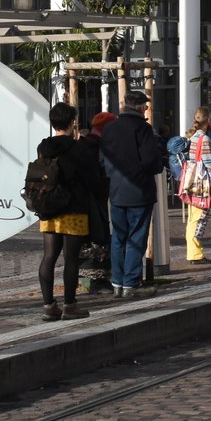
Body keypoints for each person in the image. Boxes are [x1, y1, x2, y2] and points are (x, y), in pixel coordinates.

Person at [35, 102, 106, 321]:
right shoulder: (78, 148)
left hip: (49, 207)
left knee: (49, 256)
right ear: (72, 122)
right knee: (71, 259)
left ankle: (48, 306)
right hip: (74, 208)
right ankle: (69, 305)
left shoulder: (43, 147)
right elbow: (92, 179)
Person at [100, 90, 165, 299]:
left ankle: (117, 283)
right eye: (145, 106)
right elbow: (151, 162)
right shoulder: (143, 129)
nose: (146, 109)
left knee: (118, 238)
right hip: (139, 191)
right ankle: (131, 283)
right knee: (136, 237)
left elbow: (102, 159)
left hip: (116, 191)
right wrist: (159, 159)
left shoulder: (109, 128)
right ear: (141, 107)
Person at [79, 111, 117, 294]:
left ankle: (85, 282)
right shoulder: (101, 148)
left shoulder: (82, 145)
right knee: (98, 239)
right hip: (96, 201)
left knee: (85, 242)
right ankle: (97, 281)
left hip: (81, 202)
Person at [183, 107, 211, 264]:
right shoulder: (204, 139)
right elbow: (208, 162)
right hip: (201, 183)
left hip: (192, 181)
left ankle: (194, 252)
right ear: (208, 120)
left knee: (193, 217)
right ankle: (195, 254)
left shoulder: (193, 137)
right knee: (199, 218)